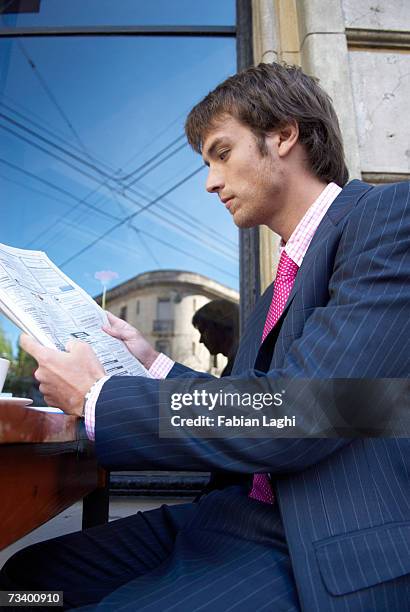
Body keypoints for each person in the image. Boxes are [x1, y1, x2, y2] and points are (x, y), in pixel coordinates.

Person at [1, 62, 409, 611]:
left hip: (307, 540)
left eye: (221, 152)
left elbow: (309, 412)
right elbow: (247, 405)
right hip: (228, 513)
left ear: (284, 134)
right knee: (27, 586)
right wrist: (152, 366)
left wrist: (100, 398)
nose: (210, 181)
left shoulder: (387, 218)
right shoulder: (274, 291)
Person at [192, 299, 239, 376]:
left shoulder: (238, 367)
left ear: (219, 327)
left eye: (202, 331)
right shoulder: (237, 363)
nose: (201, 340)